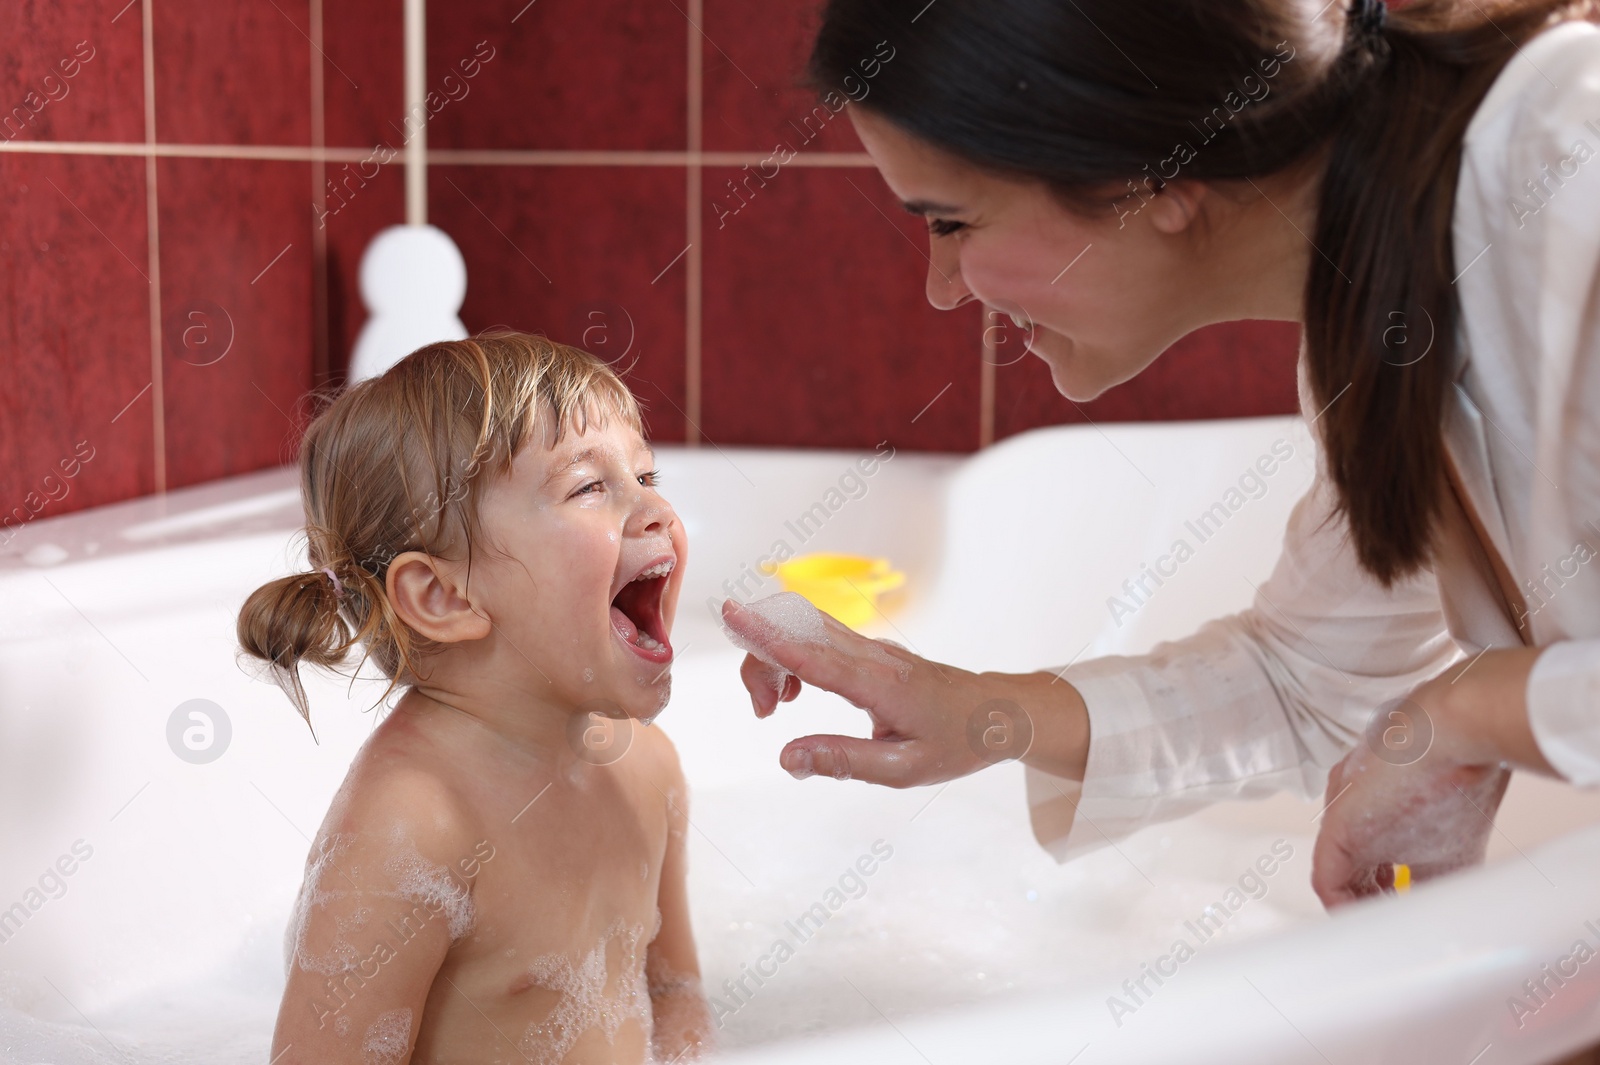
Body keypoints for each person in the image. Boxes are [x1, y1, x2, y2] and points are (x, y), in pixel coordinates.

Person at [720, 0, 1600, 908]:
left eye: (953, 222)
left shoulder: (1571, 153)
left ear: (1146, 172)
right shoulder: (1377, 313)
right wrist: (971, 711)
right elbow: (1309, 680)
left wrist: (1463, 714)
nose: (943, 291)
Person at [238, 333, 712, 1063]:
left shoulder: (647, 770)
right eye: (591, 486)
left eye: (647, 473)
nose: (654, 509)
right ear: (443, 594)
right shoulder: (409, 831)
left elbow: (676, 995)